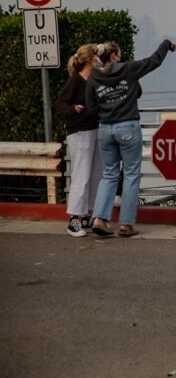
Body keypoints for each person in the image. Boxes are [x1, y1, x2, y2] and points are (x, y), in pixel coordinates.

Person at [86, 39, 176, 237]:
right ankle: (126, 224)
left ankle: (99, 218)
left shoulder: (93, 76)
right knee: (131, 174)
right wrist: (166, 44)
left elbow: (91, 107)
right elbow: (154, 61)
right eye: (119, 54)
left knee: (109, 174)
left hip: (105, 129)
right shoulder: (128, 69)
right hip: (128, 126)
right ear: (115, 56)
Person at [56, 44, 102, 237]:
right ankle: (74, 219)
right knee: (81, 176)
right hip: (80, 132)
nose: (99, 59)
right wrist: (73, 109)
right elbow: (59, 104)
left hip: (94, 130)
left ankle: (86, 214)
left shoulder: (94, 79)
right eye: (97, 56)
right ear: (91, 60)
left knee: (95, 176)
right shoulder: (75, 81)